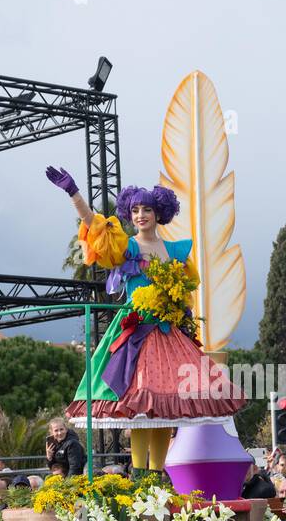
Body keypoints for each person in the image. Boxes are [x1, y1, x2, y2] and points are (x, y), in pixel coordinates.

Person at [47, 166, 243, 473]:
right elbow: (95, 225)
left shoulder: (176, 251)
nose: (141, 215)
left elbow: (187, 290)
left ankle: (157, 476)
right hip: (135, 333)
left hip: (168, 334)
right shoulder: (128, 246)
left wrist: (179, 311)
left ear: (159, 213)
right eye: (135, 210)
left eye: (147, 209)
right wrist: (74, 194)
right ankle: (139, 475)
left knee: (163, 410)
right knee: (138, 406)